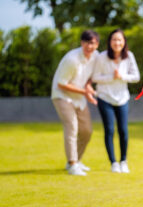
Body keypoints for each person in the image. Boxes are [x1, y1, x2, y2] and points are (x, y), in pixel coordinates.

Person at [51, 30, 99, 176]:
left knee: (86, 131)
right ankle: (72, 164)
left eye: (92, 43)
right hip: (62, 96)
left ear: (97, 44)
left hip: (79, 97)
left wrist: (88, 87)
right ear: (81, 43)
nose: (89, 46)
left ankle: (76, 160)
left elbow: (90, 77)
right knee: (72, 127)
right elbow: (61, 84)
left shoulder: (96, 57)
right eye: (86, 42)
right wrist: (85, 92)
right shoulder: (71, 59)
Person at [92, 29, 140, 173]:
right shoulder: (101, 57)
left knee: (123, 130)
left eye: (120, 40)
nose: (117, 42)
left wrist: (121, 76)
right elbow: (95, 77)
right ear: (109, 42)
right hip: (104, 97)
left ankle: (123, 161)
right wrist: (111, 77)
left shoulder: (129, 56)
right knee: (109, 130)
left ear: (124, 42)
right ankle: (113, 162)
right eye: (114, 39)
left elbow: (136, 77)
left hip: (122, 98)